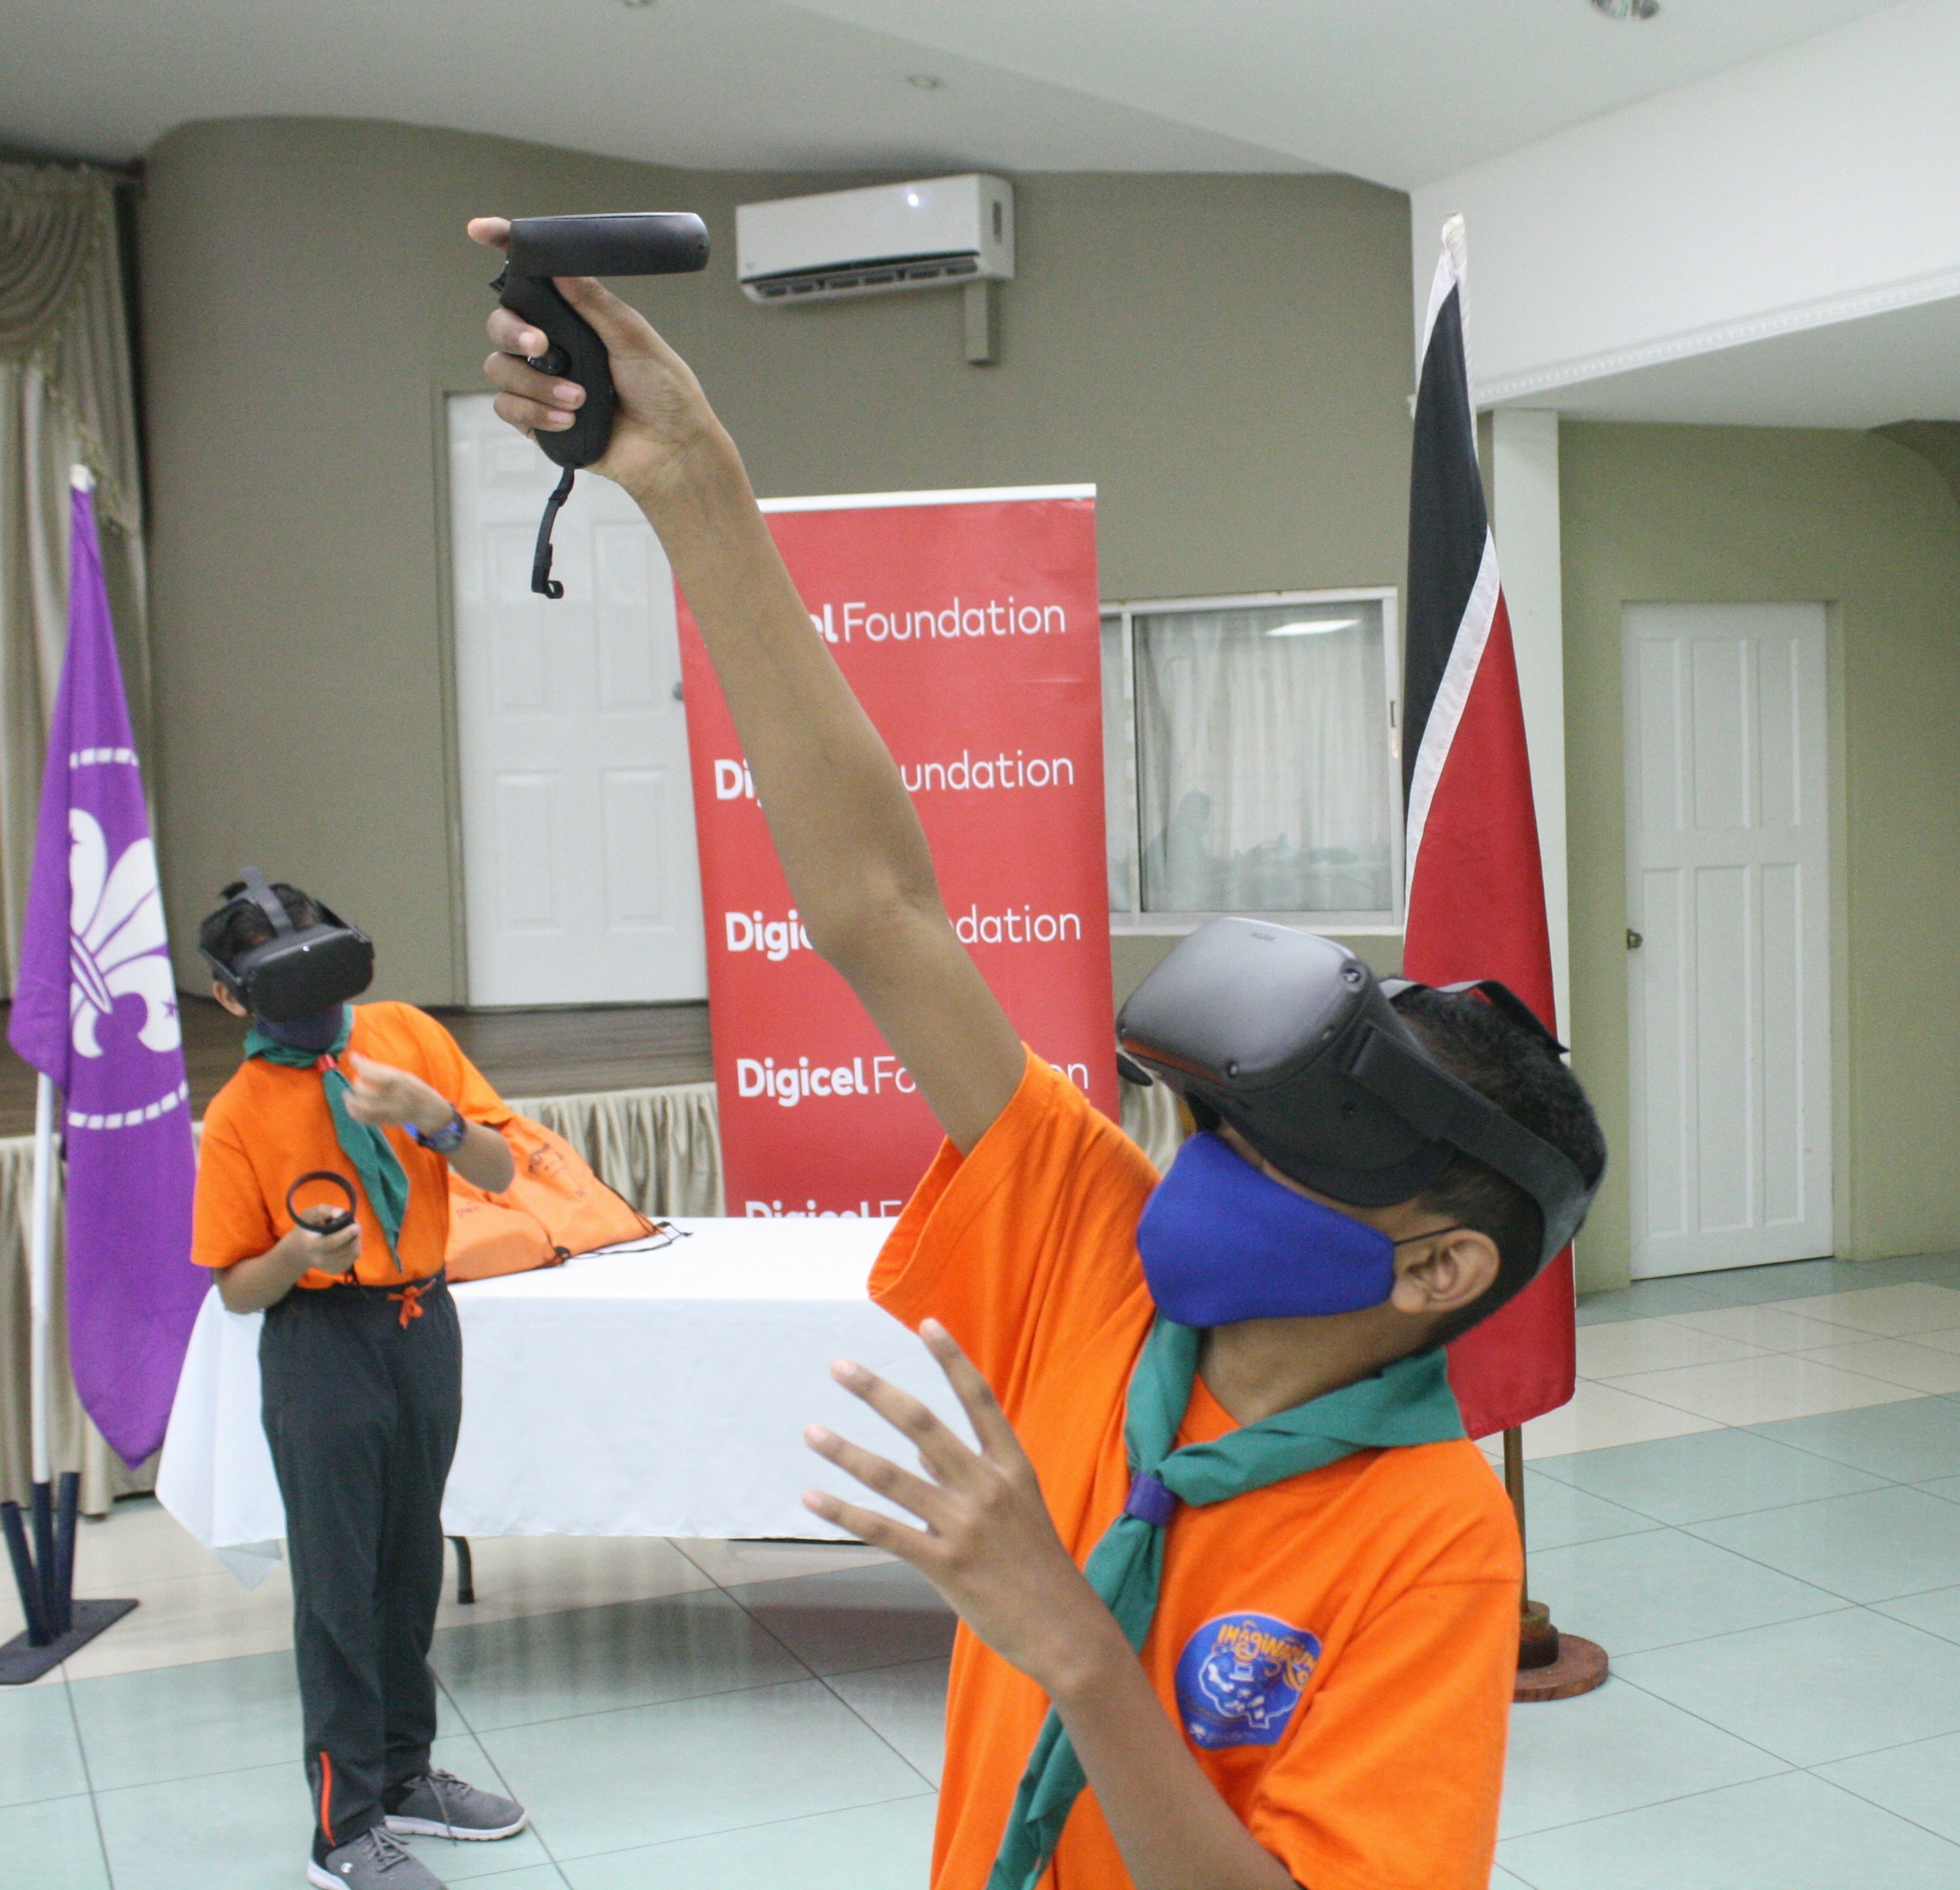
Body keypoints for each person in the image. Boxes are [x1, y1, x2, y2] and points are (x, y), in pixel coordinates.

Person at [471, 218, 1606, 1890]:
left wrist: (1076, 1644)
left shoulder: (1430, 1537)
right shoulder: (1104, 1267)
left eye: (1282, 1153)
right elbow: (877, 911)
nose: (1204, 1169)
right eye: (1215, 1123)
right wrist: (692, 483)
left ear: (1438, 1265)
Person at [192, 877, 529, 1890]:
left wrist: (431, 1118)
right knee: (338, 1585)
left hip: (423, 1323)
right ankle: (342, 1831)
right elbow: (239, 1291)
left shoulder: (408, 1039)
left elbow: (503, 1172)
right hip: (319, 1346)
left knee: (408, 1560)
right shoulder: (241, 1113)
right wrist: (297, 1251)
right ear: (230, 999)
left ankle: (405, 1773)